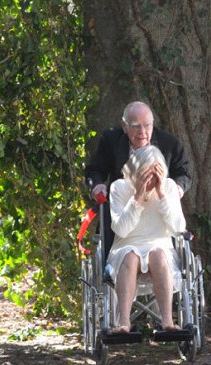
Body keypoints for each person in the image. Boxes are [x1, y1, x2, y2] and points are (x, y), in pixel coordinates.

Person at [84, 101, 191, 255]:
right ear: (124, 125)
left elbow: (183, 173)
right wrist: (97, 186)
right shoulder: (110, 140)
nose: (142, 132)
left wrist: (175, 190)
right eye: (135, 126)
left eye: (147, 125)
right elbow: (94, 170)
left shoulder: (170, 144)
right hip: (123, 214)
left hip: (157, 219)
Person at [106, 145, 186, 334]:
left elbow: (178, 228)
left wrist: (161, 195)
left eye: (154, 174)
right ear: (135, 172)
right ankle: (124, 323)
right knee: (131, 255)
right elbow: (121, 229)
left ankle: (167, 320)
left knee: (157, 254)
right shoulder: (119, 187)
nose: (150, 180)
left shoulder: (169, 187)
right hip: (125, 246)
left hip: (160, 246)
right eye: (145, 174)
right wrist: (137, 198)